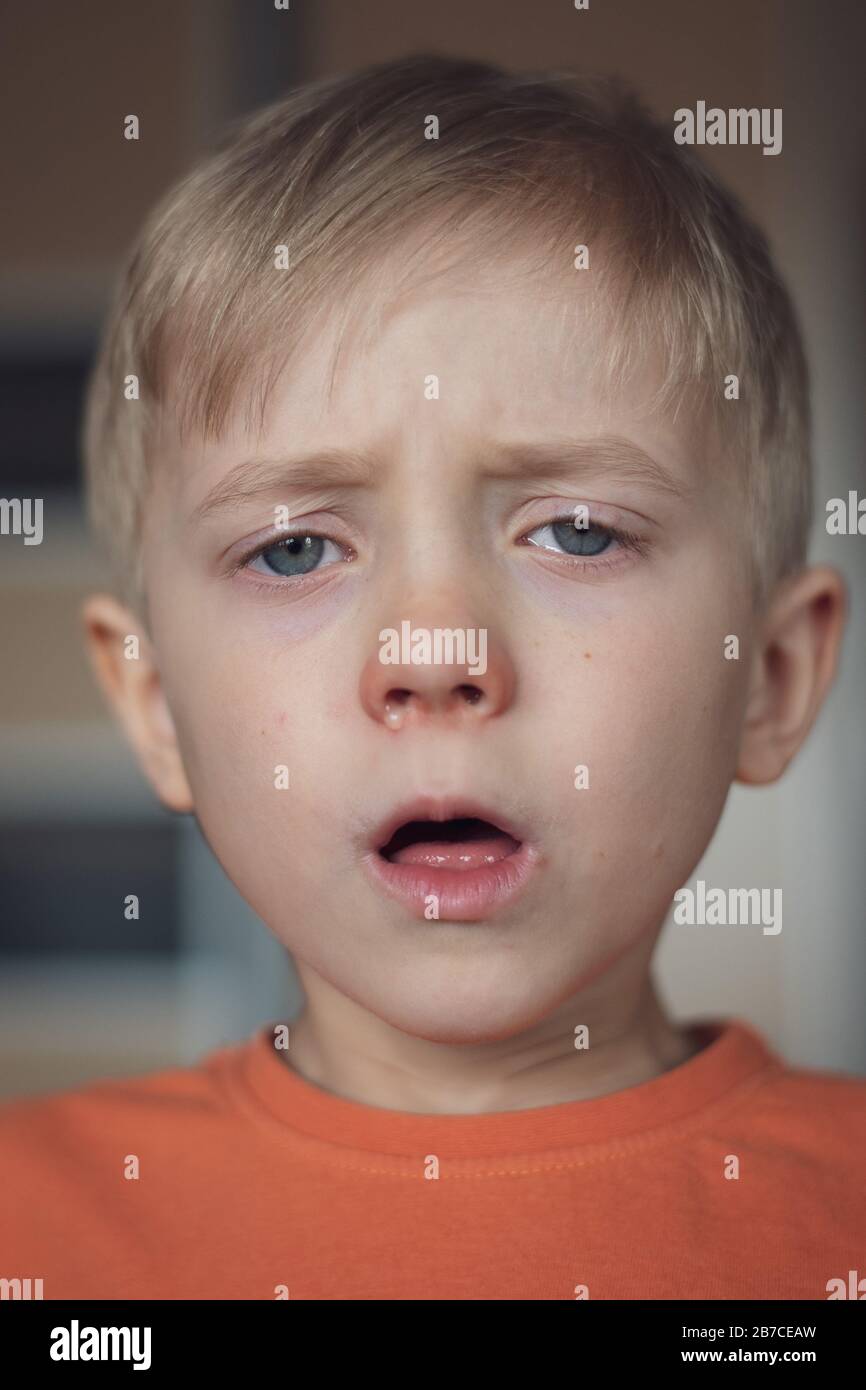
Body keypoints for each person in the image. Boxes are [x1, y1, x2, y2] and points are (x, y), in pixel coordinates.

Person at [1, 54, 862, 1300]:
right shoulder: (32, 1237)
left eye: (575, 531)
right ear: (154, 706)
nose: (436, 655)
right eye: (293, 548)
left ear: (770, 678)